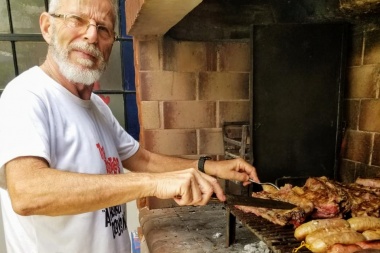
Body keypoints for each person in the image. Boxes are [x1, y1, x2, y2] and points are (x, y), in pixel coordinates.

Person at [0, 0, 259, 252]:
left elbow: (142, 159)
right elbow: (26, 192)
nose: (91, 36)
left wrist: (211, 166)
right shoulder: (26, 96)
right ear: (47, 27)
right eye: (76, 20)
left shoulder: (97, 107)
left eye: (103, 28)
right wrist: (154, 184)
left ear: (111, 42)